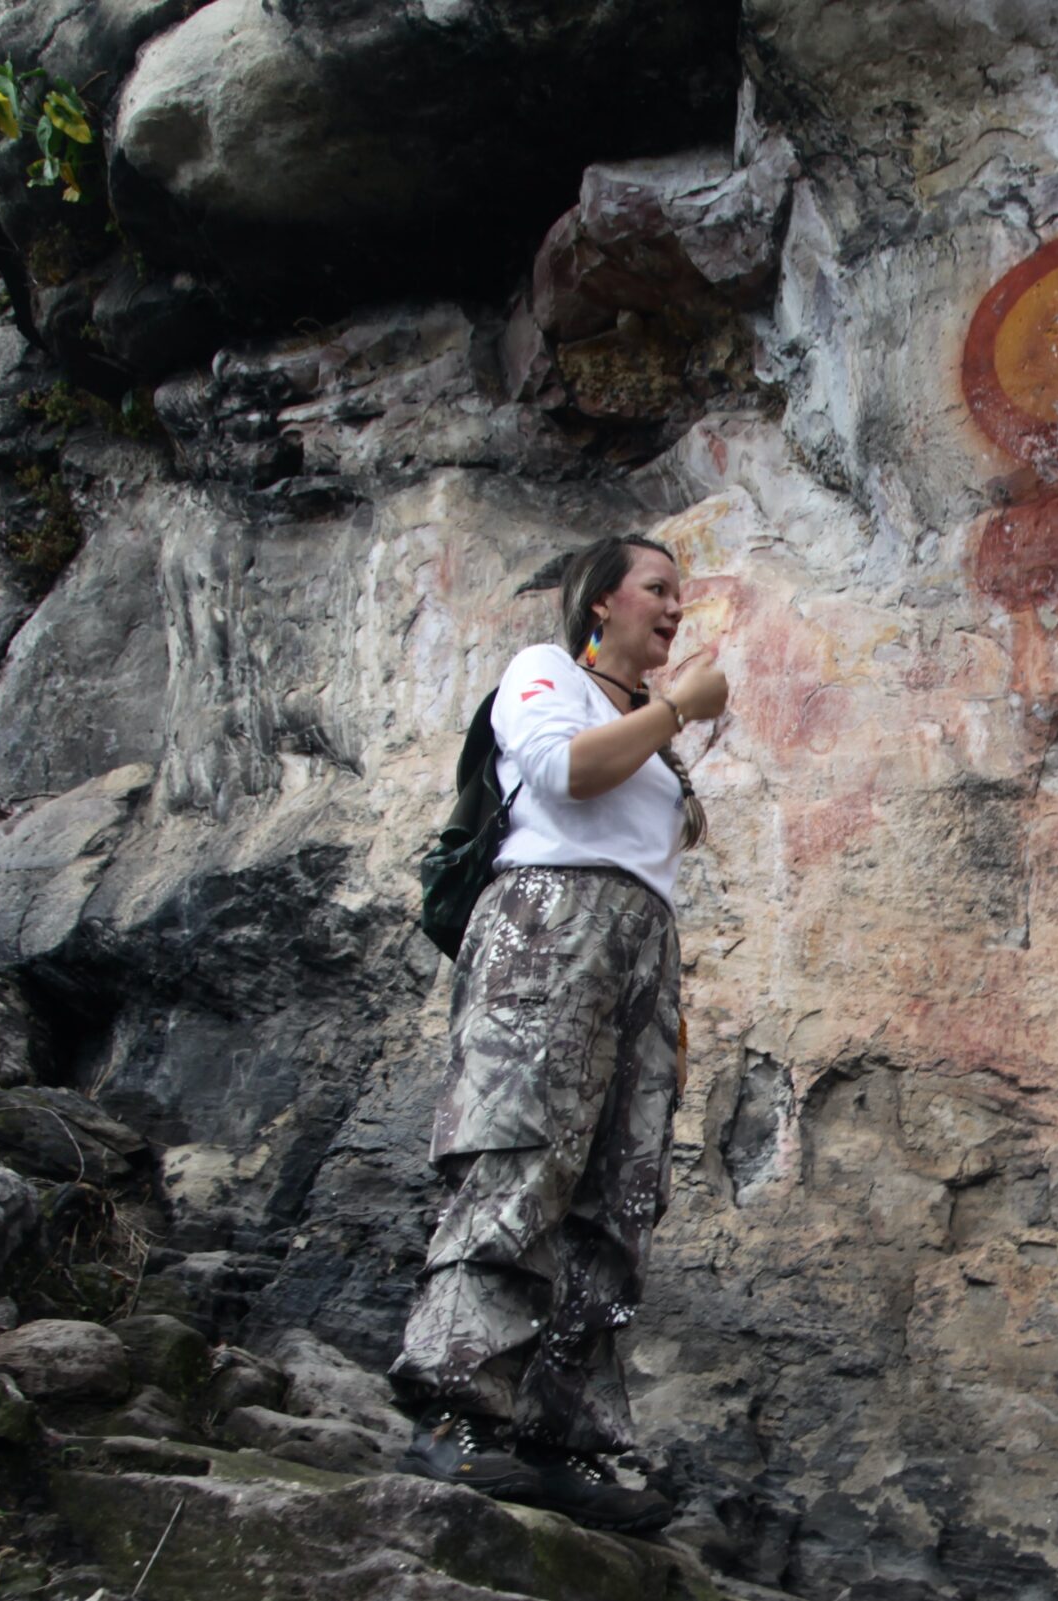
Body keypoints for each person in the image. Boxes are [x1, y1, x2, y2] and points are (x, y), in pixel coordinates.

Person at [387, 533, 728, 1534]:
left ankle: (551, 1434)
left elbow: (647, 861)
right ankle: (456, 1411)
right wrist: (677, 709)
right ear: (600, 603)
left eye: (680, 592)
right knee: (521, 1157)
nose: (673, 606)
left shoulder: (647, 731)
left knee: (614, 1194)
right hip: (544, 931)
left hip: (636, 953)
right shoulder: (544, 675)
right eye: (656, 588)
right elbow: (564, 776)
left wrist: (662, 1015)